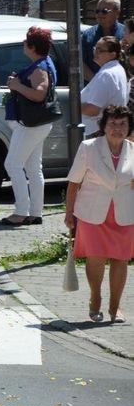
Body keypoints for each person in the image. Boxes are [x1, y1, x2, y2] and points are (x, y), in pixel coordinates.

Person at [64, 105, 134, 324]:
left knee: (121, 260)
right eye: (113, 123)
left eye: (123, 124)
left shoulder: (133, 150)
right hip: (93, 214)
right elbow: (74, 182)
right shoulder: (88, 147)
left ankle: (115, 307)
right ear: (104, 126)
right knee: (96, 258)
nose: (117, 128)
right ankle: (95, 298)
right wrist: (69, 213)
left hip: (124, 213)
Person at [0, 27, 58, 226]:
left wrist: (16, 86)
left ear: (32, 47)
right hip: (38, 123)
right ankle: (35, 212)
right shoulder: (44, 63)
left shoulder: (39, 67)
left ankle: (21, 211)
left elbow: (40, 93)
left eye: (26, 43)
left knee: (13, 165)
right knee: (33, 168)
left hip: (31, 124)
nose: (23, 45)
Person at [81, 36, 129, 136]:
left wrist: (73, 107)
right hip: (103, 129)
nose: (95, 52)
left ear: (112, 54)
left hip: (97, 131)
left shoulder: (107, 74)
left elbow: (93, 110)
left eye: (100, 50)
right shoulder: (116, 69)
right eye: (95, 48)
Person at [82, 0, 125, 82]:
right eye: (97, 11)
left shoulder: (126, 34)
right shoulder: (87, 35)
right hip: (94, 89)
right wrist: (97, 82)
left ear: (117, 13)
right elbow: (80, 63)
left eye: (104, 11)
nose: (99, 15)